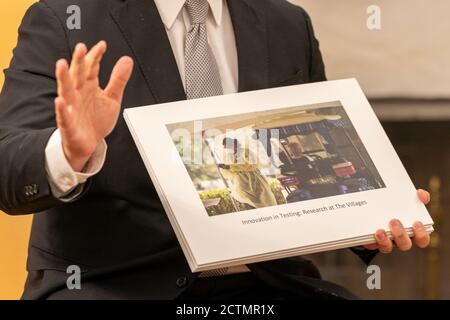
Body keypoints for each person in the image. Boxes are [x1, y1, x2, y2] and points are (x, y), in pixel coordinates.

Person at [0, 0, 431, 299]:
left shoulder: (287, 23)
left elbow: (313, 160)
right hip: (118, 285)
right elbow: (9, 170)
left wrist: (376, 217)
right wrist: (71, 151)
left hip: (268, 288)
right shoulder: (63, 18)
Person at [218, 138, 278, 209]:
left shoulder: (246, 151)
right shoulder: (229, 156)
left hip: (254, 178)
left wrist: (230, 166)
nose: (228, 148)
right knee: (250, 198)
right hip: (241, 180)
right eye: (227, 147)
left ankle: (272, 210)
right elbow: (229, 172)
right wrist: (224, 167)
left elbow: (252, 165)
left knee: (263, 197)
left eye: (229, 145)